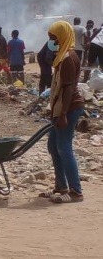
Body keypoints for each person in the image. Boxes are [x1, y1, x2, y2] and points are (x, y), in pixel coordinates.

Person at [40, 21, 85, 204]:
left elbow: (68, 89)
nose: (51, 40)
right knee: (53, 146)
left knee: (64, 148)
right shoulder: (62, 55)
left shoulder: (67, 58)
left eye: (53, 36)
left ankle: (76, 192)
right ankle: (61, 186)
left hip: (70, 107)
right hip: (61, 107)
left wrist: (64, 114)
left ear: (62, 36)